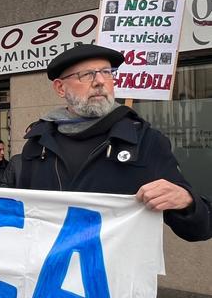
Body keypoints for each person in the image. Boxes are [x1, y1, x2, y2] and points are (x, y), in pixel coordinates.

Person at [19, 43, 211, 242]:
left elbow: (200, 229)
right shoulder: (38, 143)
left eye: (107, 72)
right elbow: (20, 214)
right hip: (51, 270)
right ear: (60, 88)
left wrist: (186, 201)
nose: (100, 81)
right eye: (86, 75)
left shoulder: (145, 141)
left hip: (118, 271)